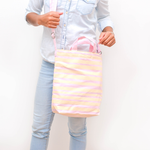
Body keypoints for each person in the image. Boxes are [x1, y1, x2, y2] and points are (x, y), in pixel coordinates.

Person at [25, 0, 116, 150]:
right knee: (39, 129)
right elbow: (29, 14)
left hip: (80, 68)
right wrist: (40, 19)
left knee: (77, 130)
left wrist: (109, 31)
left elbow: (103, 17)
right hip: (50, 65)